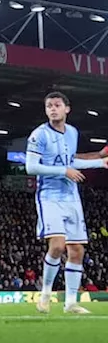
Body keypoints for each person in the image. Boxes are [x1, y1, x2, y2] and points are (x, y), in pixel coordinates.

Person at [24, 91, 108, 314]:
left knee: (77, 250)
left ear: (67, 109)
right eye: (49, 106)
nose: (53, 109)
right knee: (58, 246)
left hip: (71, 196)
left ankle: (70, 302)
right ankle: (45, 296)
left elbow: (72, 161)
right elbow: (31, 167)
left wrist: (100, 163)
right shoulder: (38, 135)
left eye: (57, 105)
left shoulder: (72, 132)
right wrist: (64, 171)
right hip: (49, 196)